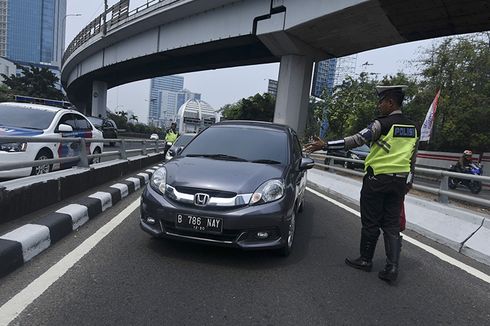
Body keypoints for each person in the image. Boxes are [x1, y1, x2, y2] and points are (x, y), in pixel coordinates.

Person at [305, 85, 420, 283]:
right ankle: (392, 267)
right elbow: (412, 158)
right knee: (392, 224)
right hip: (399, 182)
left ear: (390, 102)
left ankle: (366, 260)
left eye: (382, 101)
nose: (379, 105)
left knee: (371, 221)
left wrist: (325, 146)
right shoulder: (413, 128)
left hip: (377, 180)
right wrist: (409, 181)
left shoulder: (381, 124)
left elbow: (357, 140)